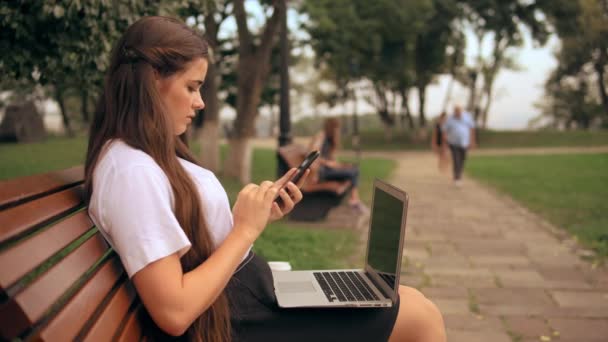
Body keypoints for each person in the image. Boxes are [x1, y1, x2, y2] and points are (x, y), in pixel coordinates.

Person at [84, 16, 446, 342]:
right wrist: (244, 230)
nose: (200, 103)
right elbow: (174, 312)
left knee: (410, 301)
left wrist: (257, 214)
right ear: (152, 80)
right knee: (418, 316)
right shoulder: (131, 172)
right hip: (233, 317)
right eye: (192, 87)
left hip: (243, 298)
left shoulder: (145, 156)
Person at [309, 118, 369, 213]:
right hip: (320, 172)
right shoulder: (321, 135)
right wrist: (328, 163)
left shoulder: (330, 139)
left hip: (327, 169)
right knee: (353, 172)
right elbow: (312, 154)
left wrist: (341, 165)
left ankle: (354, 200)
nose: (338, 131)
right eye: (337, 128)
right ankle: (354, 201)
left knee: (353, 168)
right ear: (332, 127)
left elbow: (333, 160)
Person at [442, 105, 476, 185]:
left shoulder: (467, 117)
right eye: (456, 111)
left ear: (462, 111)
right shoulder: (450, 119)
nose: (458, 112)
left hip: (465, 143)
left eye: (459, 111)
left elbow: (472, 129)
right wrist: (445, 142)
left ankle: (459, 173)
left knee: (462, 159)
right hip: (453, 143)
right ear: (454, 111)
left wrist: (472, 141)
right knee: (456, 159)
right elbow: (444, 130)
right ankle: (457, 177)